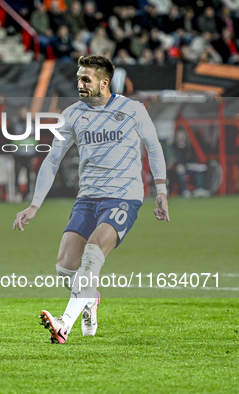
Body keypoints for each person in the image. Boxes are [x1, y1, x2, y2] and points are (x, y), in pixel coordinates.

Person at [13, 55, 169, 344]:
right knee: (64, 267)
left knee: (93, 251)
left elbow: (154, 147)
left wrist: (161, 190)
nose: (80, 84)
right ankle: (89, 299)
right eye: (78, 78)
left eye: (86, 79)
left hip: (124, 197)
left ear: (104, 82)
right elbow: (52, 160)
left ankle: (64, 324)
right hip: (87, 198)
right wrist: (34, 205)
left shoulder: (132, 109)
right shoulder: (72, 114)